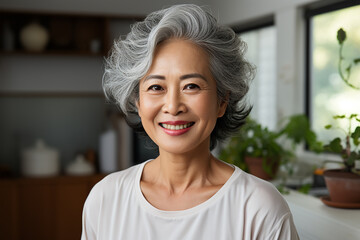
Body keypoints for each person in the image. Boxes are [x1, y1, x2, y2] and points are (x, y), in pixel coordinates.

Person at [81, 4, 299, 240]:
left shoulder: (259, 207)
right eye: (156, 87)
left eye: (191, 86)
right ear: (138, 101)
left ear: (222, 101)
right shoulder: (105, 198)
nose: (173, 106)